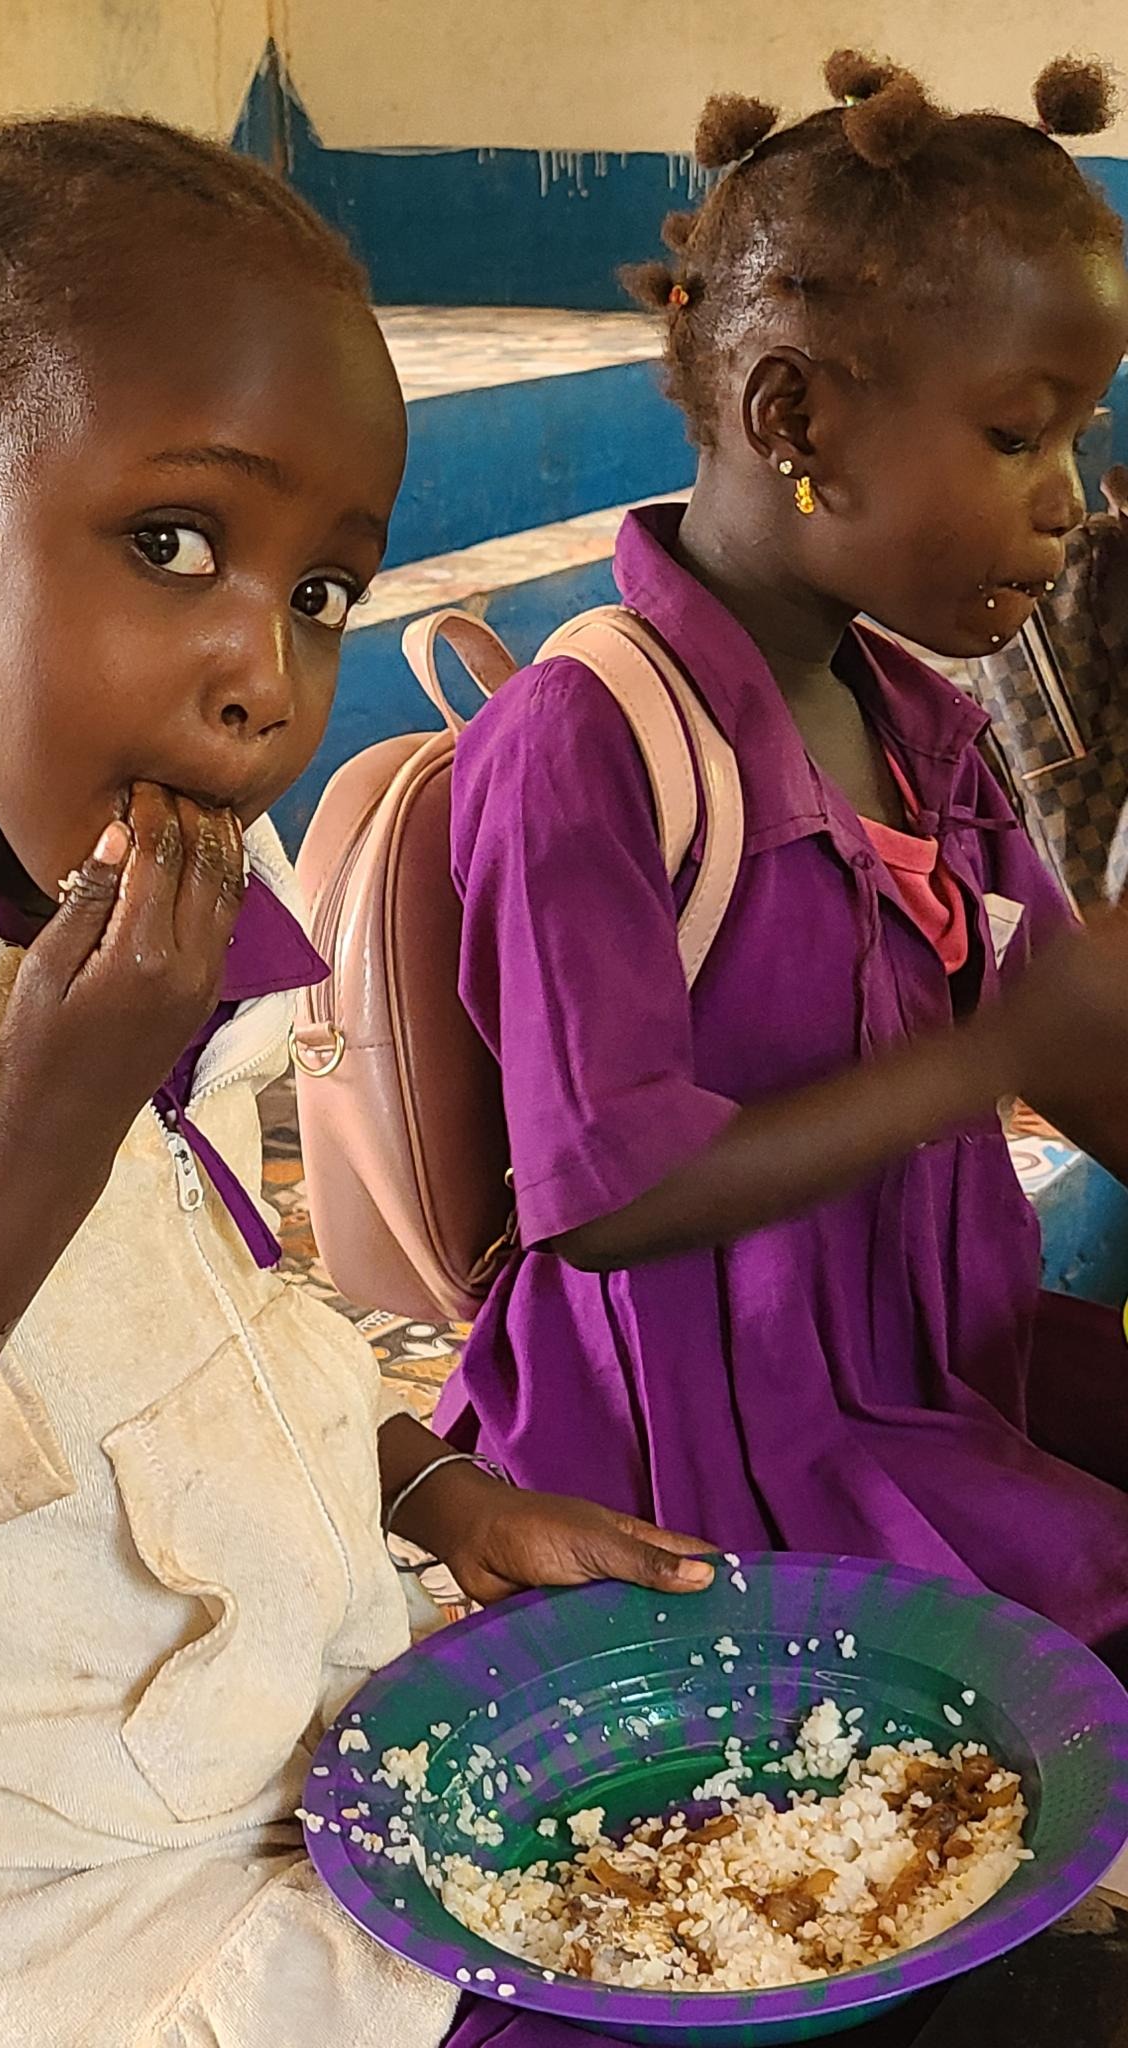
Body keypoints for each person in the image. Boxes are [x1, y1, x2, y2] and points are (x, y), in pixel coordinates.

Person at [0, 116, 717, 2048]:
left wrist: (434, 1491)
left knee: (771, 1875)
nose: (264, 677)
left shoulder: (133, 865)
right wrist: (53, 1123)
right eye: (175, 544)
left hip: (291, 1755)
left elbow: (176, 1335)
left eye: (321, 595)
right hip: (53, 1923)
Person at [435, 52, 1128, 1681]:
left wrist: (1052, 1036)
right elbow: (609, 1198)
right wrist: (996, 1055)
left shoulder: (924, 731)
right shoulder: (582, 741)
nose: (1072, 504)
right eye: (1022, 436)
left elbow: (1071, 1038)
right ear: (793, 414)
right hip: (696, 1441)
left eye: (1081, 439)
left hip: (916, 1359)